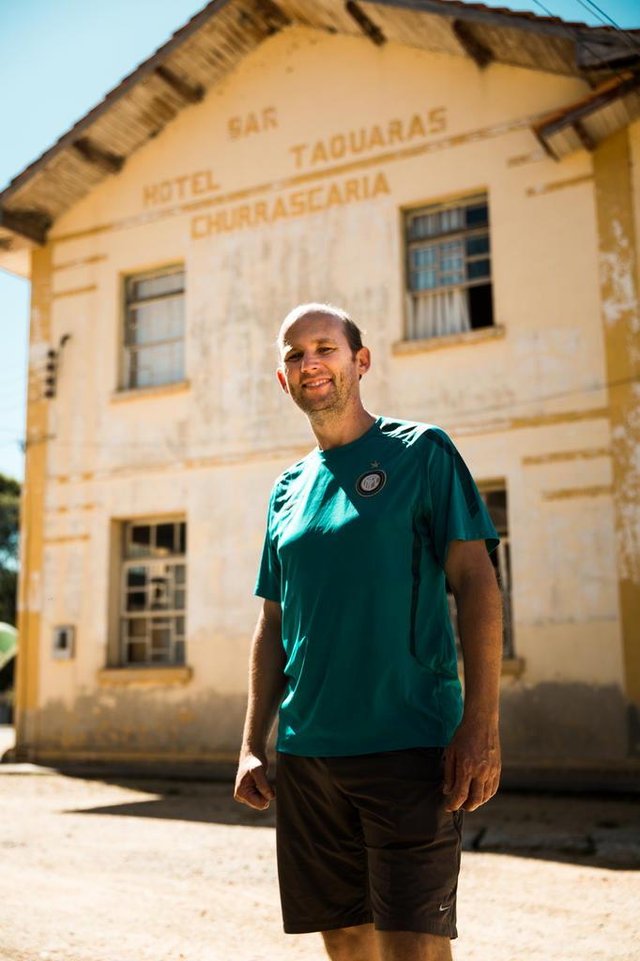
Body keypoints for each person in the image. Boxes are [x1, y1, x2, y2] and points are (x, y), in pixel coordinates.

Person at [234, 303, 503, 961]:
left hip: (407, 745)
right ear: (283, 378)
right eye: (295, 355)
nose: (310, 363)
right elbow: (273, 622)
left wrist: (481, 725)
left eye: (324, 347)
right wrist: (251, 741)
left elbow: (476, 583)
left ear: (361, 360)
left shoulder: (422, 451)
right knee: (348, 945)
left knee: (414, 948)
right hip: (307, 755)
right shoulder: (287, 489)